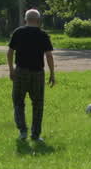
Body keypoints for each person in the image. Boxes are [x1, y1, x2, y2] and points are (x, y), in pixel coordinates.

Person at [7, 8, 56, 143]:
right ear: (38, 20)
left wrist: (11, 69)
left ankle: (23, 131)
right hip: (38, 73)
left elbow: (10, 52)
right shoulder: (43, 35)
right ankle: (35, 134)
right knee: (38, 104)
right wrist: (52, 73)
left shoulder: (18, 32)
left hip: (21, 72)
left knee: (18, 102)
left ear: (25, 19)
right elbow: (49, 55)